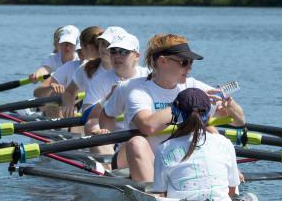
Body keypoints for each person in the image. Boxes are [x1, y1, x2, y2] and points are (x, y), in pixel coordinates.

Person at [102, 33, 244, 182]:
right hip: (136, 158)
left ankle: (226, 172)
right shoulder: (138, 90)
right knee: (137, 142)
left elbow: (239, 122)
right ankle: (154, 196)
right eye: (184, 62)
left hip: (173, 157)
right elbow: (147, 126)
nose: (189, 69)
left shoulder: (193, 85)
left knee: (210, 131)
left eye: (191, 63)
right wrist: (185, 105)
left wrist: (231, 106)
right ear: (162, 61)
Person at [153, 88, 241, 201]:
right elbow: (232, 190)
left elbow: (161, 192)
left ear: (175, 114)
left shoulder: (164, 148)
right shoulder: (225, 142)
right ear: (209, 115)